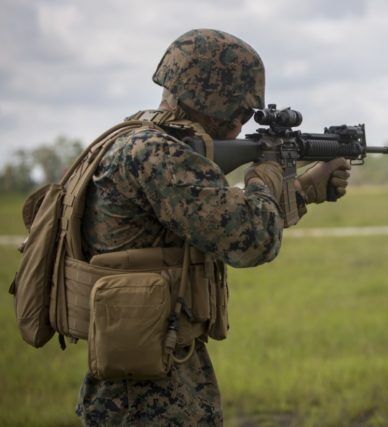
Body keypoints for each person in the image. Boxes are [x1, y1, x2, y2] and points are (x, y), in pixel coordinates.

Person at [75, 29, 351, 425]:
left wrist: (302, 190)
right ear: (213, 96)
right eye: (239, 110)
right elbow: (251, 240)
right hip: (145, 389)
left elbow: (211, 216)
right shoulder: (158, 153)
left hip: (150, 361)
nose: (241, 123)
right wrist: (266, 179)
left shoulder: (135, 137)